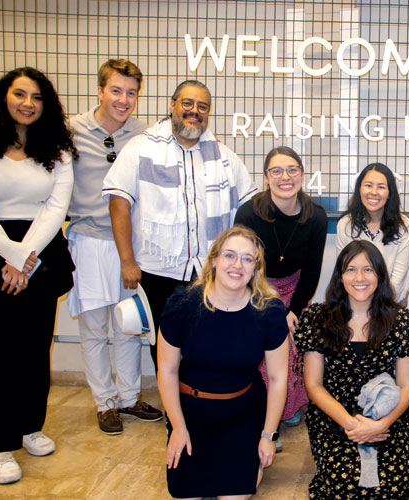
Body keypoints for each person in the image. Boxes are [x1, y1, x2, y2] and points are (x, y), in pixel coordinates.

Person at [0, 67, 76, 484]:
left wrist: (25, 256)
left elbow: (56, 205)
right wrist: (11, 254)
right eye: (20, 94)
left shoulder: (57, 144)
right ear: (3, 96)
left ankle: (30, 425)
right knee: (3, 349)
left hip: (40, 253)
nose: (28, 103)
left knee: (34, 345)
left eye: (37, 97)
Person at [103, 79, 254, 371]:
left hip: (209, 271)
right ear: (172, 105)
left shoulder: (224, 157)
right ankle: (173, 402)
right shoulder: (140, 149)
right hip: (158, 269)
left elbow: (247, 208)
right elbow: (119, 204)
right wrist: (127, 261)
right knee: (164, 345)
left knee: (208, 342)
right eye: (187, 103)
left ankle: (201, 397)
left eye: (202, 106)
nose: (194, 111)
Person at [66, 59, 163, 434]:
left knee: (128, 325)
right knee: (94, 329)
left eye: (131, 93)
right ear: (100, 90)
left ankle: (128, 398)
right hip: (89, 240)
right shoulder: (72, 130)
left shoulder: (144, 134)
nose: (124, 100)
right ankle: (104, 403)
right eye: (116, 91)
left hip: (132, 246)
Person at [158, 225, 289, 499]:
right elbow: (167, 370)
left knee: (232, 496)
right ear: (215, 259)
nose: (237, 265)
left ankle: (250, 462)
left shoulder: (269, 312)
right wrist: (178, 427)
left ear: (256, 268)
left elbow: (278, 379)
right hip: (192, 416)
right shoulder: (183, 304)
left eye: (247, 259)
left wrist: (268, 436)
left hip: (242, 415)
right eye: (229, 255)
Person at [294, 240, 409, 499]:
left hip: (386, 416)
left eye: (368, 270)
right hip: (335, 417)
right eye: (351, 270)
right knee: (346, 487)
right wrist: (351, 424)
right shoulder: (318, 319)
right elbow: (313, 386)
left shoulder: (401, 320)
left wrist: (379, 425)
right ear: (340, 276)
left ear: (380, 275)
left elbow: (406, 387)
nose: (359, 278)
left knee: (389, 488)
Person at [235, 146, 327, 431]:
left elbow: (312, 270)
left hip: (296, 289)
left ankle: (288, 405)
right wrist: (269, 307)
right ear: (266, 177)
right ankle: (259, 404)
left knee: (292, 339)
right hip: (257, 287)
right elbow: (243, 266)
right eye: (276, 171)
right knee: (260, 341)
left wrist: (293, 310)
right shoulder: (248, 213)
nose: (285, 177)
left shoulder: (316, 215)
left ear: (302, 174)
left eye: (292, 170)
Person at [336, 163, 409, 304]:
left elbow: (398, 276)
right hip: (356, 299)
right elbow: (344, 270)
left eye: (381, 187)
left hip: (391, 300)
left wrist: (377, 306)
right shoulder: (345, 225)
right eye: (368, 185)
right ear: (359, 189)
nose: (374, 192)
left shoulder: (403, 225)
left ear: (389, 193)